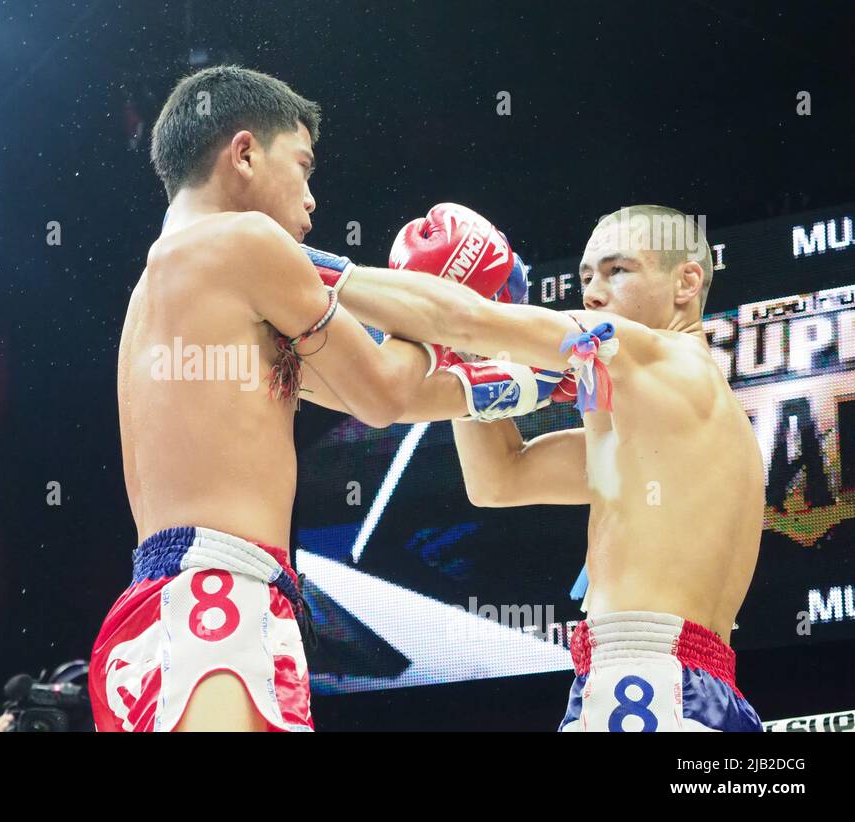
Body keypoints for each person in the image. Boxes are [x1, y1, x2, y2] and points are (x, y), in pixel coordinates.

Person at [89, 66, 552, 732]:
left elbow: (385, 396)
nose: (312, 199)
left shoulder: (179, 288)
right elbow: (385, 392)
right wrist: (437, 295)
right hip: (216, 602)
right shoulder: (242, 242)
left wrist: (524, 384)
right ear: (244, 154)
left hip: (186, 603)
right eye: (303, 167)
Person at [337, 204, 764, 731]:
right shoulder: (664, 427)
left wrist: (296, 272)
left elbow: (463, 319)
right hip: (682, 686)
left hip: (647, 683)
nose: (593, 292)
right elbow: (499, 479)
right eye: (587, 277)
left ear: (686, 282)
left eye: (618, 270)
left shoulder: (663, 357)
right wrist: (463, 358)